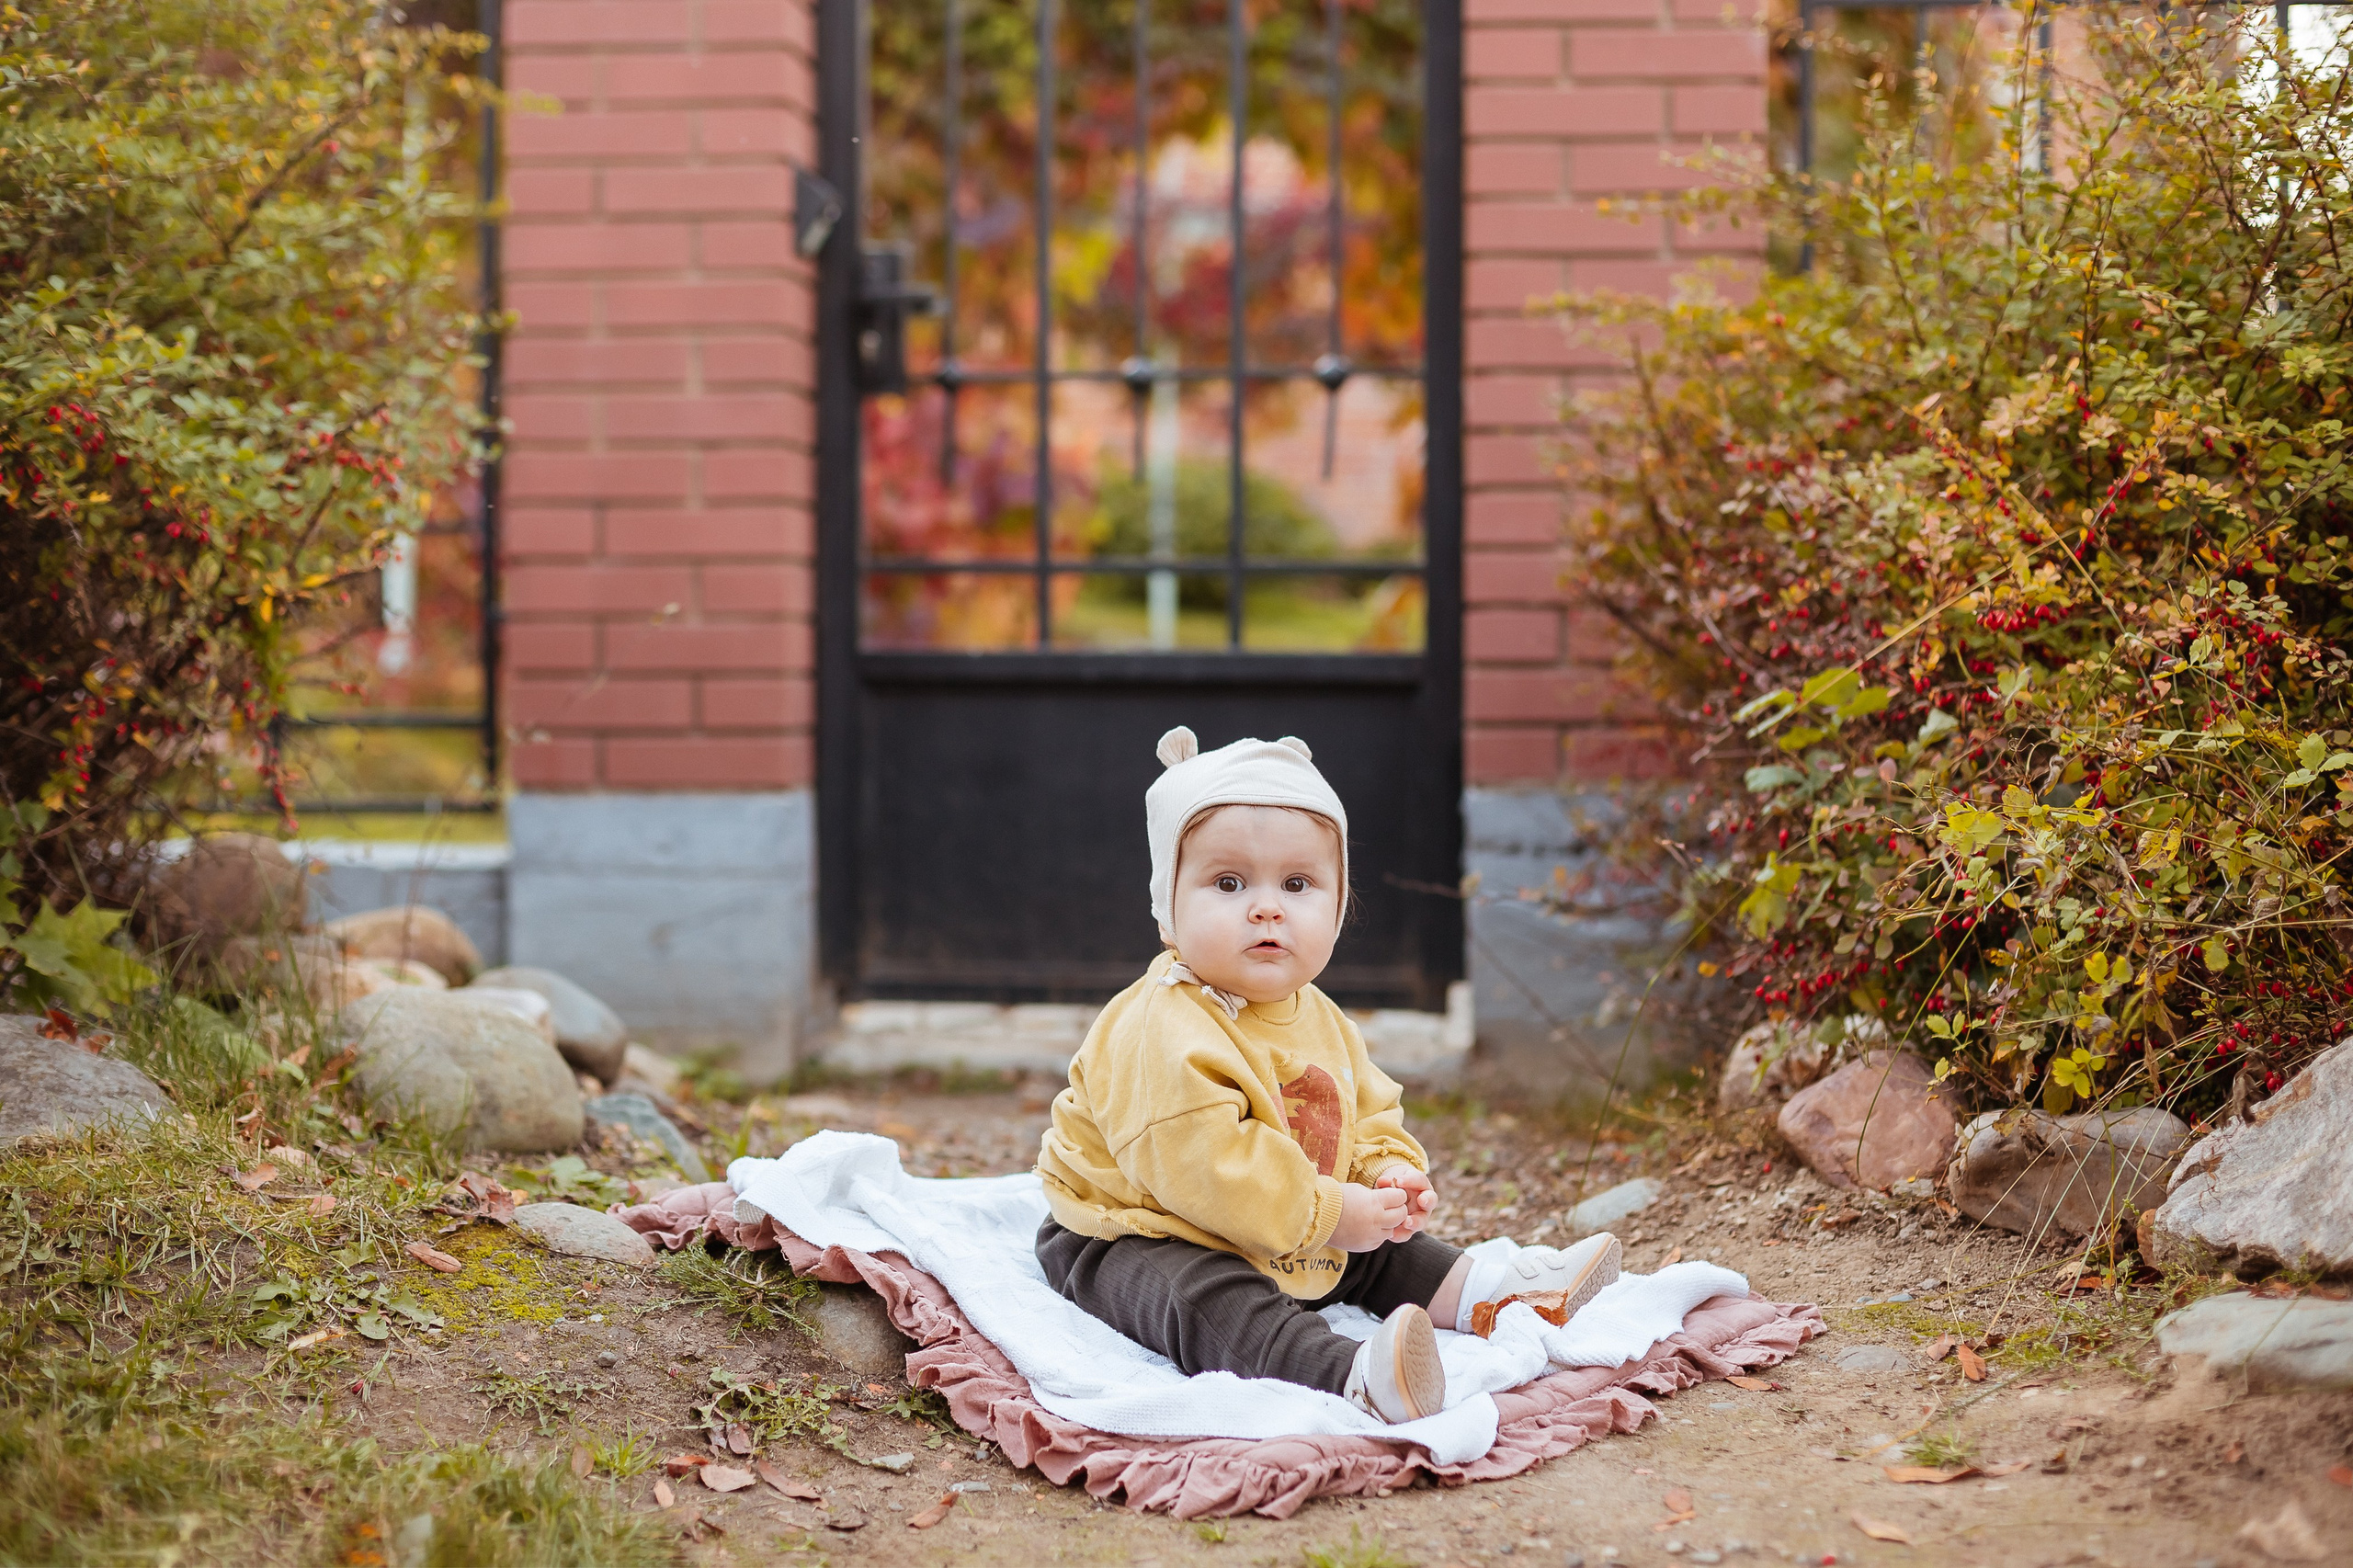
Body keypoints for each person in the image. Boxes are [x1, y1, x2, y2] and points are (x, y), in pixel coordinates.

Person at [1035, 727, 1620, 1424]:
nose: (1266, 907)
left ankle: (1488, 1294)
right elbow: (1203, 1167)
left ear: (1337, 907)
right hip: (1140, 1227)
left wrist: (1383, 1177)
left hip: (1280, 1212)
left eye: (1298, 884)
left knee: (1375, 1249)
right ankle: (1350, 1375)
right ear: (1168, 905)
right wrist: (1328, 1213)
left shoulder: (1319, 1016)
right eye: (1228, 883)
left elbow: (1366, 1110)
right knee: (1203, 1295)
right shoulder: (1160, 1028)